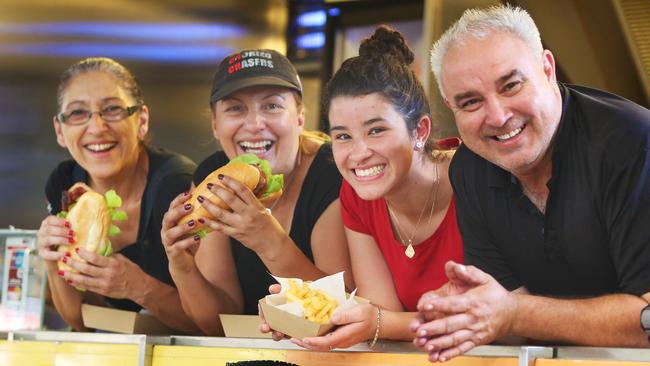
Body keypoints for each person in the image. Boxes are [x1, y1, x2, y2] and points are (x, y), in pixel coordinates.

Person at [413, 4, 650, 362]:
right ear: (451, 107)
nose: (497, 116)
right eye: (471, 102)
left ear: (547, 69)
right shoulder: (470, 169)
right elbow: (515, 314)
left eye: (511, 85)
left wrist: (511, 312)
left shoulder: (633, 143)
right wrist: (470, 316)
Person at [271, 26, 463, 351]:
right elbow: (383, 314)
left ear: (420, 130)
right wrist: (318, 313)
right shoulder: (356, 196)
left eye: (376, 130)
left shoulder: (472, 179)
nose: (358, 154)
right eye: (343, 136)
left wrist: (376, 321)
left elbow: (488, 315)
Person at [161, 49, 354, 335]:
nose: (254, 125)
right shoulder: (212, 176)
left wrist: (268, 241)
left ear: (300, 118)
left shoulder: (332, 174)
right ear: (215, 124)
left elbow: (343, 309)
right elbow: (215, 324)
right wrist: (181, 266)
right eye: (235, 109)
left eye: (272, 106)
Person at [36, 57, 199, 333]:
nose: (97, 127)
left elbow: (210, 325)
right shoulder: (65, 184)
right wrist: (52, 262)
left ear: (142, 120)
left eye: (112, 109)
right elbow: (80, 322)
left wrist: (138, 287)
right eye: (77, 113)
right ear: (59, 130)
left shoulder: (179, 188)